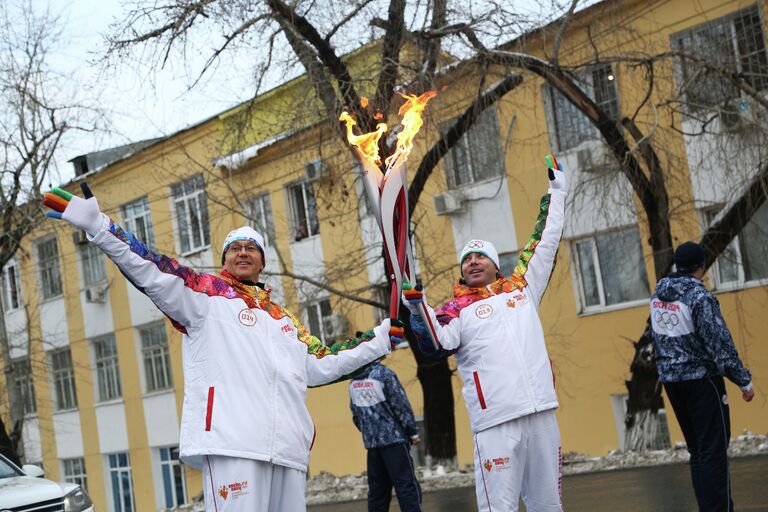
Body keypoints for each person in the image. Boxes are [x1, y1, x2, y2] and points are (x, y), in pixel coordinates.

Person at [43, 183, 394, 512]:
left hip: (287, 450)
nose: (243, 253)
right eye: (235, 248)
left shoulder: (284, 321)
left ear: (262, 260)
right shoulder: (204, 296)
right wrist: (100, 227)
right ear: (225, 259)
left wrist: (382, 338)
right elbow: (151, 269)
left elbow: (322, 363)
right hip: (232, 444)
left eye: (251, 247)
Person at [403, 164, 567, 512]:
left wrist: (558, 193)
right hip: (495, 423)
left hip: (540, 414)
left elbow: (545, 241)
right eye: (467, 259)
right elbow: (438, 343)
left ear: (495, 264)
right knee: (499, 508)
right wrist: (417, 309)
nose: (473, 262)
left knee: (548, 505)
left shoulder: (522, 289)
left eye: (480, 256)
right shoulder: (454, 309)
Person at [650, 241, 754, 512]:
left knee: (697, 451)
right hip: (701, 382)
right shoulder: (699, 297)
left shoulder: (658, 296)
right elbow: (719, 342)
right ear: (701, 266)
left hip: (672, 381)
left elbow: (658, 338)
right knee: (713, 451)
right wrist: (743, 380)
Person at [349, 359, 422, 512]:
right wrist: (412, 432)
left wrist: (369, 432)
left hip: (372, 446)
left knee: (378, 493)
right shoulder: (384, 374)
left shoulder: (353, 381)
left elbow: (356, 415)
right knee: (406, 487)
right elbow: (400, 405)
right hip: (394, 442)